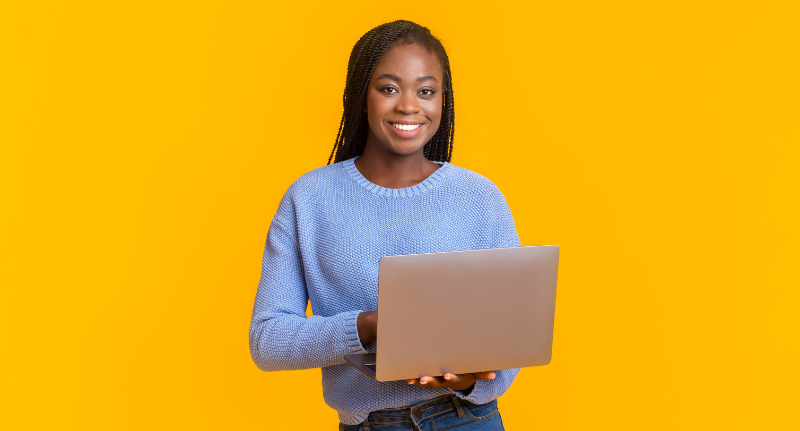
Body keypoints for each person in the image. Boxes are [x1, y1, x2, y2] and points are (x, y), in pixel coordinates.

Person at [249, 20, 520, 430]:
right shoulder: (309, 199)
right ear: (362, 96)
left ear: (442, 101)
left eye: (426, 91)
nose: (409, 105)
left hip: (470, 419)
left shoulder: (480, 198)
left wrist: (470, 382)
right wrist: (369, 325)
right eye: (389, 88)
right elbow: (267, 341)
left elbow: (514, 334)